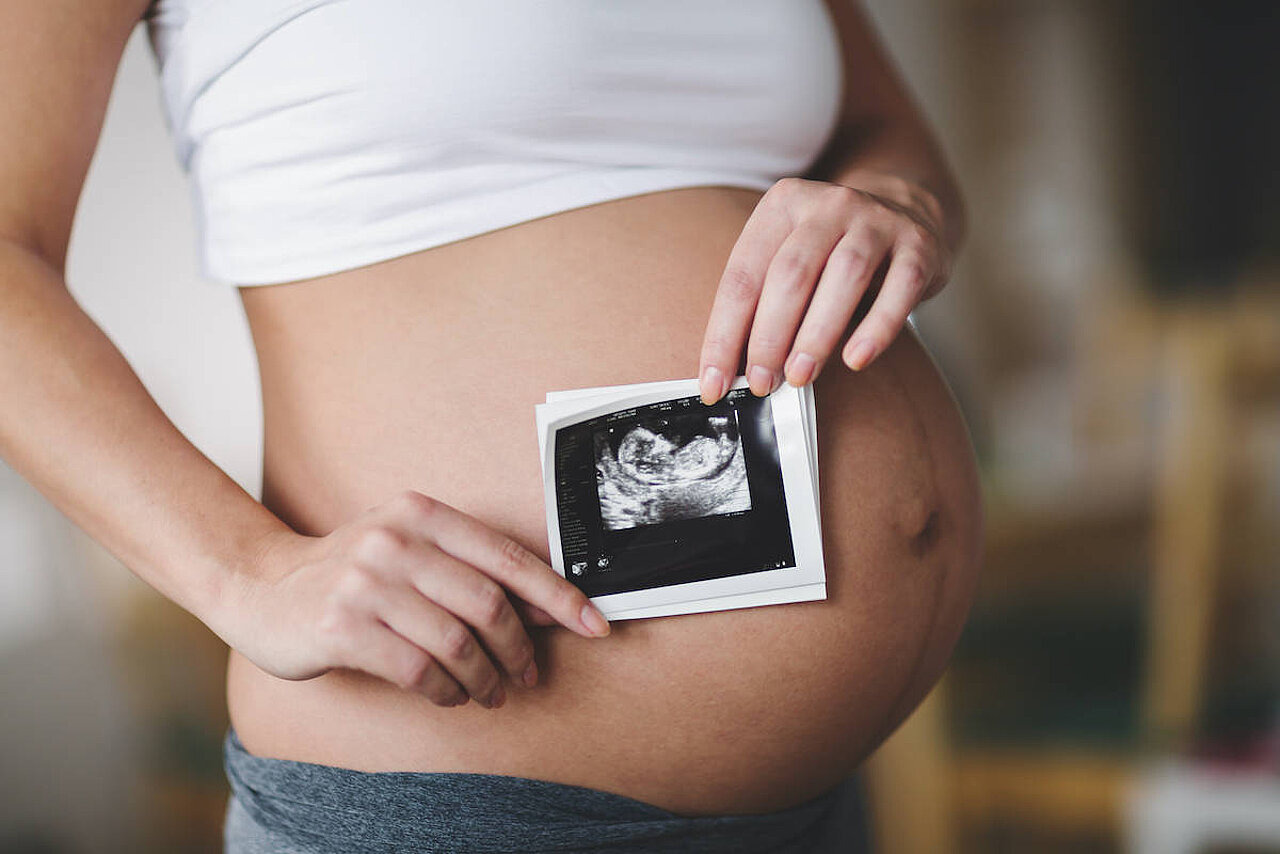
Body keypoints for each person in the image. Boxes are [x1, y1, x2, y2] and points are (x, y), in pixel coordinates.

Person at [0, 1, 982, 851]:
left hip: (810, 798)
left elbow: (880, 125)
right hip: (469, 799)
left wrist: (893, 201)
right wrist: (243, 570)